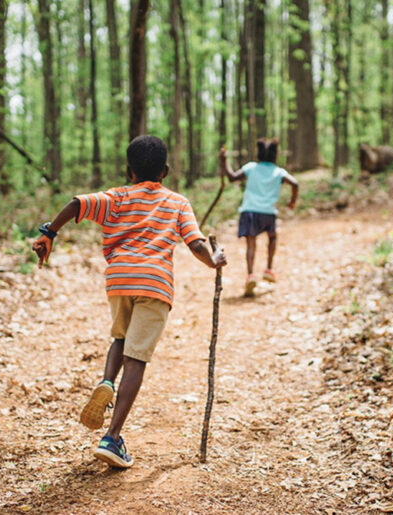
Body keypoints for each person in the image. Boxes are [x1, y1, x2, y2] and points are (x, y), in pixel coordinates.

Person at [32, 135, 227, 469]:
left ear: (129, 170)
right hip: (154, 284)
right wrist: (214, 260)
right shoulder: (177, 203)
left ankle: (107, 381)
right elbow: (195, 244)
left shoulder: (116, 197)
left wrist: (50, 232)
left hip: (119, 279)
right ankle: (112, 436)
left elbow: (78, 203)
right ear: (165, 171)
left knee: (120, 338)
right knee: (136, 357)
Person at [219, 139, 298, 297]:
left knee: (251, 243)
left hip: (250, 211)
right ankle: (269, 269)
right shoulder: (278, 172)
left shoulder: (251, 168)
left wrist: (224, 161)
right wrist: (292, 202)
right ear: (275, 155)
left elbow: (232, 177)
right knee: (273, 238)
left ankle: (250, 275)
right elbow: (295, 183)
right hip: (268, 212)